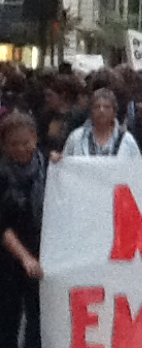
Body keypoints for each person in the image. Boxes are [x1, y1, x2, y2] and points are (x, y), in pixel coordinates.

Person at [0, 112, 45, 348]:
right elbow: (2, 226)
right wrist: (25, 257)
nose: (20, 149)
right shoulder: (2, 175)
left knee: (39, 317)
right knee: (8, 319)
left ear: (35, 139)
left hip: (42, 252)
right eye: (13, 144)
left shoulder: (47, 166)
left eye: (25, 142)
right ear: (4, 146)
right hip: (8, 258)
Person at [61, 88, 141, 158]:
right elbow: (65, 164)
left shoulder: (127, 140)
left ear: (114, 112)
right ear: (91, 111)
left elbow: (137, 167)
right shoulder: (76, 137)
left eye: (107, 107)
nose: (101, 111)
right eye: (97, 107)